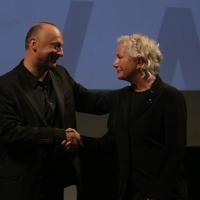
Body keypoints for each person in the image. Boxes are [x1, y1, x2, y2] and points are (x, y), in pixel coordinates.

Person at [64, 34, 189, 200]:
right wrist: (80, 140)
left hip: (162, 194)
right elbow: (110, 143)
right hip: (128, 193)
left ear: (139, 62)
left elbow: (174, 152)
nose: (114, 63)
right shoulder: (121, 98)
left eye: (119, 57)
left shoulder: (169, 97)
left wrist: (156, 195)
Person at [0, 22, 113, 200]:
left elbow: (92, 102)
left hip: (56, 184)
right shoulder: (5, 87)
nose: (61, 53)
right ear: (34, 44)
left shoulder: (61, 75)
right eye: (56, 46)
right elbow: (10, 132)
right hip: (22, 187)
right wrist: (59, 135)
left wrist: (133, 94)